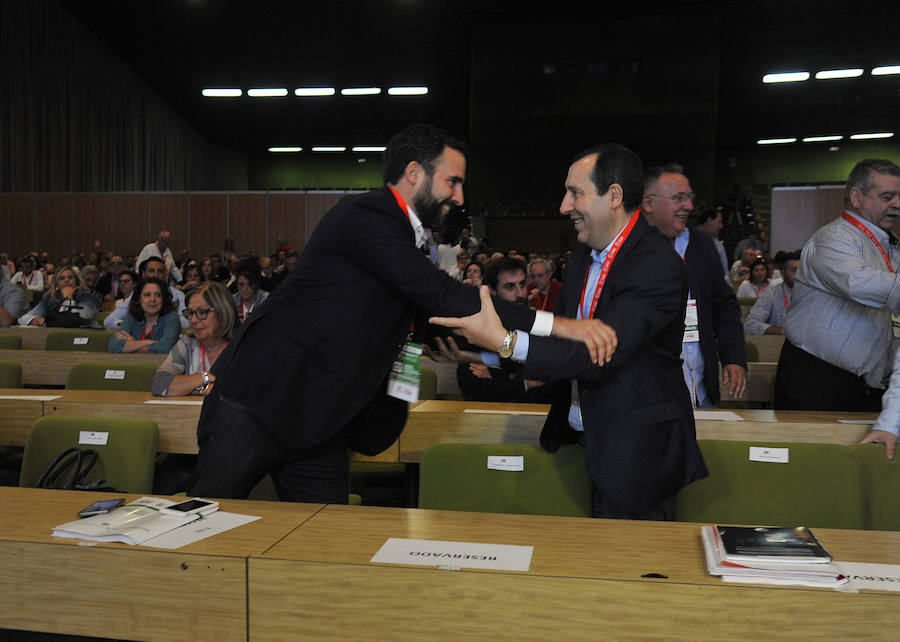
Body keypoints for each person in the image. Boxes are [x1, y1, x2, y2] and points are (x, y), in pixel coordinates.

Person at [189, 123, 610, 503]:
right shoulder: (367, 214)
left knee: (324, 554)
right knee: (201, 528)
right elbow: (443, 295)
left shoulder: (404, 244)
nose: (460, 197)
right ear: (414, 174)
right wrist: (562, 326)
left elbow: (435, 326)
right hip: (255, 406)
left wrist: (488, 352)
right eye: (453, 181)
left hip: (320, 428)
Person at [431, 144, 707, 519]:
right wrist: (480, 352)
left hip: (636, 454)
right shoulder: (583, 256)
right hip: (583, 439)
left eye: (575, 193)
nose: (563, 206)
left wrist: (505, 342)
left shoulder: (657, 265)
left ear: (613, 196)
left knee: (624, 570)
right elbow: (556, 342)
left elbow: (596, 354)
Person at [776, 158, 900, 411]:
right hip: (817, 381)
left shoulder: (891, 245)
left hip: (866, 386)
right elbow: (858, 282)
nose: (897, 204)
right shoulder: (833, 238)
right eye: (888, 196)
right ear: (857, 197)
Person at [641, 164, 747, 407]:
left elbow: (724, 306)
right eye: (679, 198)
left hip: (700, 387)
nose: (688, 206)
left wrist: (733, 357)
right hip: (649, 394)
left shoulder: (701, 244)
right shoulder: (629, 249)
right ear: (648, 203)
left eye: (689, 198)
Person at [454, 256, 554, 403]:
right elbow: (476, 388)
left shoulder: (539, 327)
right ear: (491, 291)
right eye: (510, 287)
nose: (520, 293)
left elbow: (551, 388)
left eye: (522, 284)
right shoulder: (476, 330)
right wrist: (527, 384)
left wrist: (500, 381)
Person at [151, 282, 238, 396]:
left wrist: (194, 387)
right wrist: (205, 378)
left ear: (222, 311)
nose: (193, 320)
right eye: (190, 313)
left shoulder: (242, 346)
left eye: (202, 312)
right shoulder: (186, 344)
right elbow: (159, 384)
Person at [108, 277, 180, 354]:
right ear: (139, 298)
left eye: (158, 295)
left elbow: (165, 348)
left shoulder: (171, 317)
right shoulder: (131, 317)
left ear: (163, 298)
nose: (152, 299)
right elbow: (113, 346)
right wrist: (149, 342)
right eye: (147, 295)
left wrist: (132, 345)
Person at [744, 250, 800, 335]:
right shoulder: (774, 289)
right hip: (780, 343)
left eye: (802, 270)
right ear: (782, 272)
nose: (798, 275)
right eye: (794, 270)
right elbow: (750, 324)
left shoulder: (814, 290)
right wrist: (785, 331)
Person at [18, 266, 97, 327]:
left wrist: (68, 298)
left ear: (76, 282)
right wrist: (39, 320)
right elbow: (22, 319)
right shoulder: (50, 298)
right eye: (62, 278)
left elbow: (77, 319)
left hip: (84, 337)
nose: (66, 280)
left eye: (70, 277)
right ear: (56, 284)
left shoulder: (85, 296)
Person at [697, 207, 728, 277]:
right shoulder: (686, 242)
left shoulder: (719, 246)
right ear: (709, 220)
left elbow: (724, 275)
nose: (721, 226)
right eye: (719, 222)